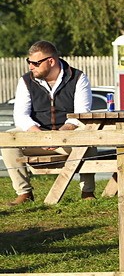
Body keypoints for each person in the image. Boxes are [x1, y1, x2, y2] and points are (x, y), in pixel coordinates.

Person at [2, 41, 95, 204]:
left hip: (67, 139)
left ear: (51, 61)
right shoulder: (26, 81)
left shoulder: (78, 78)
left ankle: (87, 192)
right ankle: (24, 193)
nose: (31, 67)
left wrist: (59, 135)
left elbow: (81, 115)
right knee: (8, 139)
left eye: (35, 63)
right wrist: (41, 136)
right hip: (37, 138)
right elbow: (21, 116)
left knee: (87, 138)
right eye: (29, 62)